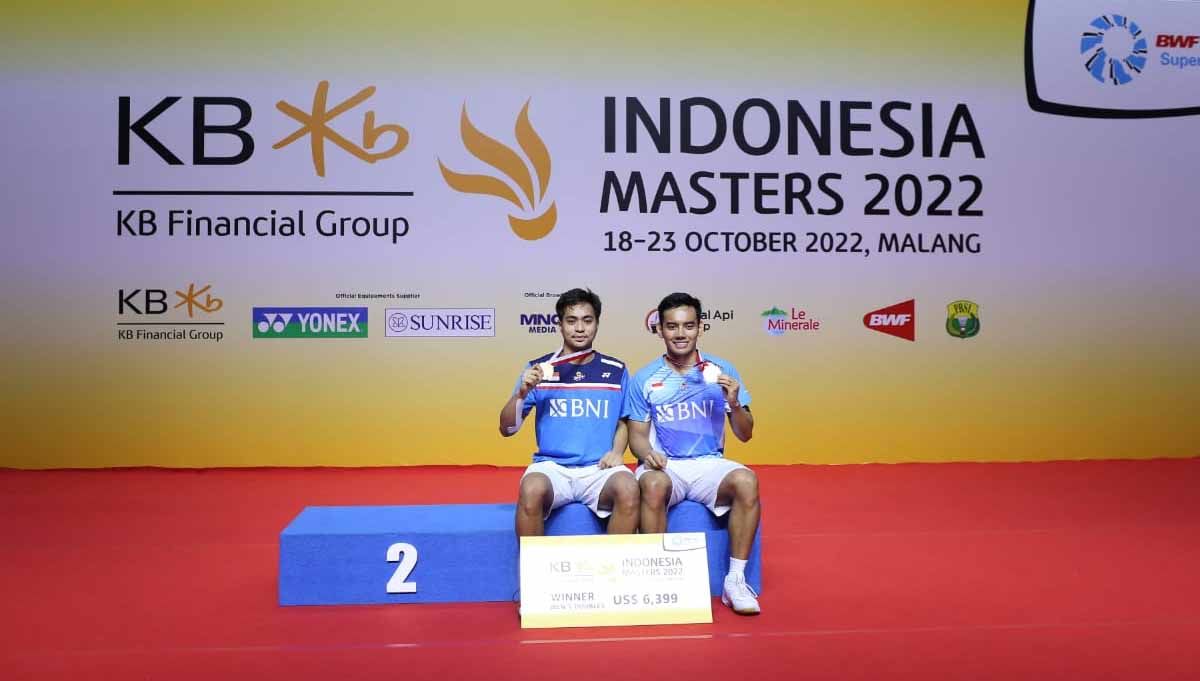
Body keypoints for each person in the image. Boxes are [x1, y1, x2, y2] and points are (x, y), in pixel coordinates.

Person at [625, 292, 762, 615]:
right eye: (672, 327)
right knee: (654, 484)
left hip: (708, 465)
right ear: (660, 330)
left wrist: (733, 401)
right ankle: (655, 578)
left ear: (701, 327)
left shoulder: (722, 370)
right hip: (666, 465)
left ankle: (735, 581)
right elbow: (637, 438)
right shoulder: (645, 378)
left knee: (746, 480)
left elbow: (745, 433)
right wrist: (648, 455)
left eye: (688, 326)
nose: (680, 334)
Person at [500, 288, 638, 537]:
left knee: (628, 487)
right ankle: (534, 575)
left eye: (587, 320)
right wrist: (521, 394)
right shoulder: (538, 370)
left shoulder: (616, 370)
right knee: (531, 489)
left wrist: (617, 452)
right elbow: (507, 429)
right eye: (571, 321)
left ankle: (613, 575)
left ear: (597, 323)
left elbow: (623, 422)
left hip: (599, 470)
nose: (580, 328)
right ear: (560, 325)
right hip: (552, 468)